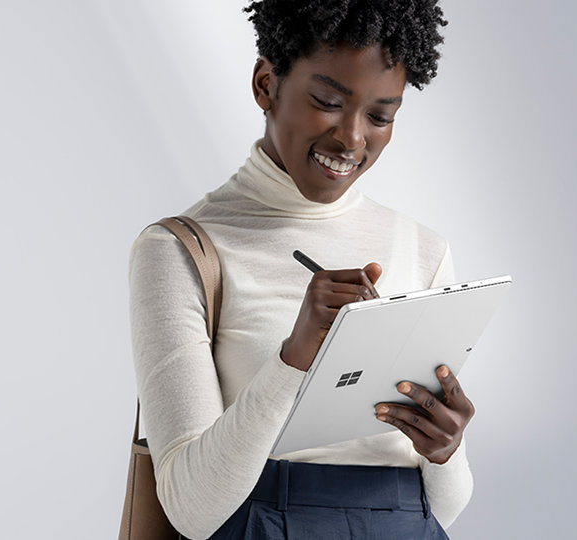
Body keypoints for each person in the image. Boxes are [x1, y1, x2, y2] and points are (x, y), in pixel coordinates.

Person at [128, 1, 475, 538]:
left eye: (381, 116)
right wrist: (295, 359)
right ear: (266, 84)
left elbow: (442, 512)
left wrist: (444, 451)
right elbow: (191, 511)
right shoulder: (182, 250)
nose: (354, 138)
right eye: (329, 102)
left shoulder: (423, 250)